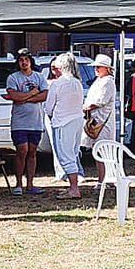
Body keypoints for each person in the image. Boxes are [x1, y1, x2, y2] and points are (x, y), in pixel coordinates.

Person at [4, 49, 47, 197]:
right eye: (21, 60)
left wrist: (25, 98)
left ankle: (30, 184)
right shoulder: (13, 77)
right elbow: (14, 95)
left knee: (32, 152)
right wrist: (32, 93)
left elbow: (44, 95)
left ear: (30, 61)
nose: (24, 62)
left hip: (36, 122)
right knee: (21, 150)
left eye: (26, 59)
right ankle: (18, 184)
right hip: (19, 122)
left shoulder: (39, 77)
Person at [44, 53, 86, 199]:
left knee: (64, 154)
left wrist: (51, 115)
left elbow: (49, 107)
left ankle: (73, 188)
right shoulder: (77, 82)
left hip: (62, 121)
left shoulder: (58, 83)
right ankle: (73, 186)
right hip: (77, 120)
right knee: (73, 153)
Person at [83, 53, 117, 158]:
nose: (95, 69)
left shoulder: (108, 81)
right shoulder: (98, 80)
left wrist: (85, 107)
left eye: (98, 66)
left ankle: (107, 174)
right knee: (97, 151)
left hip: (102, 122)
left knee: (104, 152)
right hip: (95, 120)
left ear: (106, 68)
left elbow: (99, 101)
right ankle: (102, 175)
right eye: (95, 67)